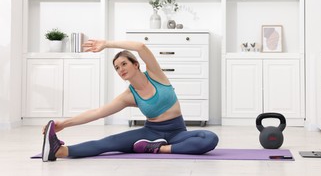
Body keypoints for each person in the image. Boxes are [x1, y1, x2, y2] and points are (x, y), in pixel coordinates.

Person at [41, 40, 219, 162]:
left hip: (177, 133)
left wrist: (107, 44)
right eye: (117, 68)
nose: (120, 69)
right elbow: (97, 113)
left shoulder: (156, 75)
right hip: (151, 133)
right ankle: (59, 151)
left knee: (209, 138)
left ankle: (157, 149)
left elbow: (140, 47)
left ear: (135, 64)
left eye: (124, 64)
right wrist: (64, 124)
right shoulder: (129, 96)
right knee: (108, 142)